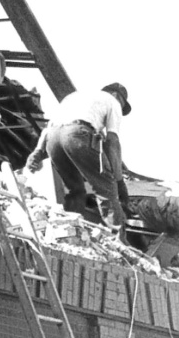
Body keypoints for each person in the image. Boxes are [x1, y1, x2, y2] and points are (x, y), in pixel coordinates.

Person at [25, 83, 132, 236]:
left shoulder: (73, 98)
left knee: (75, 190)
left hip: (53, 138)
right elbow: (112, 142)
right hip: (77, 134)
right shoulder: (112, 101)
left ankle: (69, 231)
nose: (120, 109)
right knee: (106, 188)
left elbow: (49, 128)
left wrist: (37, 151)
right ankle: (119, 239)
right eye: (122, 105)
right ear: (117, 95)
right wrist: (119, 181)